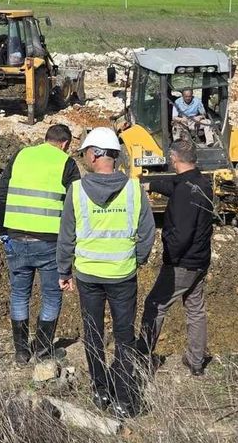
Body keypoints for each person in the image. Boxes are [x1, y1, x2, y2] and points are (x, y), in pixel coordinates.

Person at [57, 127, 156, 418]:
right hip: (122, 276)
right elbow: (148, 234)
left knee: (93, 333)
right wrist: (134, 259)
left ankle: (100, 391)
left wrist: (65, 270)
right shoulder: (134, 189)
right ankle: (124, 399)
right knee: (125, 337)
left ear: (97, 153)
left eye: (86, 152)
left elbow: (67, 235)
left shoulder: (76, 190)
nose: (84, 158)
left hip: (88, 276)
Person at [0, 123, 80, 365]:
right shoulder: (66, 163)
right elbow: (74, 205)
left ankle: (22, 352)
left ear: (45, 139)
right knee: (52, 296)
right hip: (48, 242)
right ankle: (43, 350)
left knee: (20, 294)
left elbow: (2, 194)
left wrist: (3, 231)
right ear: (65, 144)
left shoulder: (21, 155)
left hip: (16, 237)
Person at [137, 140, 214, 377]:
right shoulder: (201, 183)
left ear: (173, 158)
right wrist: (151, 185)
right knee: (195, 308)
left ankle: (141, 358)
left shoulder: (184, 193)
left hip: (182, 263)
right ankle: (196, 361)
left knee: (155, 305)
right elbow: (175, 184)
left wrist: (170, 256)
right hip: (200, 261)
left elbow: (180, 235)